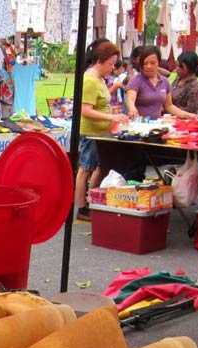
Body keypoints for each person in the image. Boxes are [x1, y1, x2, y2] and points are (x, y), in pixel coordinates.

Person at [74, 41, 129, 222]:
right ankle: (82, 207)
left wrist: (114, 114)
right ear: (100, 60)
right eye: (111, 63)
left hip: (101, 132)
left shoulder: (99, 79)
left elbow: (101, 104)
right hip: (90, 132)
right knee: (85, 169)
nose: (113, 68)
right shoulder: (89, 80)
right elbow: (86, 110)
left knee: (98, 167)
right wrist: (112, 118)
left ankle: (92, 200)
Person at [125, 46, 198, 120]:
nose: (148, 66)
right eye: (145, 63)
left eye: (152, 63)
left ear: (158, 63)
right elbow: (130, 99)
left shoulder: (164, 82)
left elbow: (169, 106)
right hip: (138, 125)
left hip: (157, 125)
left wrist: (186, 115)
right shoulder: (136, 81)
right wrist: (132, 109)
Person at [170, 51, 198, 117]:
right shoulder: (177, 80)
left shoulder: (195, 88)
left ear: (190, 67)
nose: (177, 69)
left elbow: (192, 112)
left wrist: (170, 109)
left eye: (181, 66)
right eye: (177, 65)